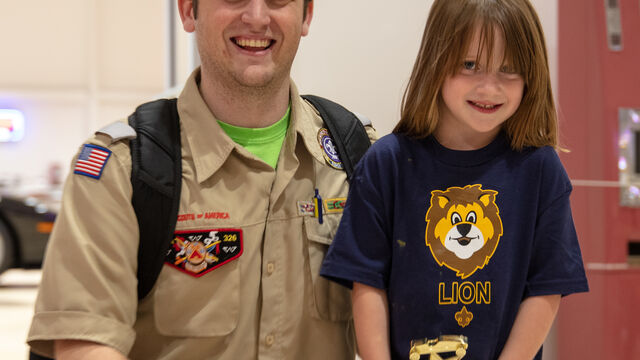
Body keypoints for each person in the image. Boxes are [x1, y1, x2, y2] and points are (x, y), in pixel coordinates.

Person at [27, 0, 377, 359]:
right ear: (188, 11)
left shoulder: (361, 157)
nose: (257, 17)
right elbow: (86, 344)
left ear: (307, 15)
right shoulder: (121, 171)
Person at [319, 0, 589, 359]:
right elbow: (367, 284)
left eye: (509, 69)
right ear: (436, 61)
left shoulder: (541, 170)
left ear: (531, 75)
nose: (489, 88)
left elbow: (546, 289)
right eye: (470, 65)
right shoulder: (386, 164)